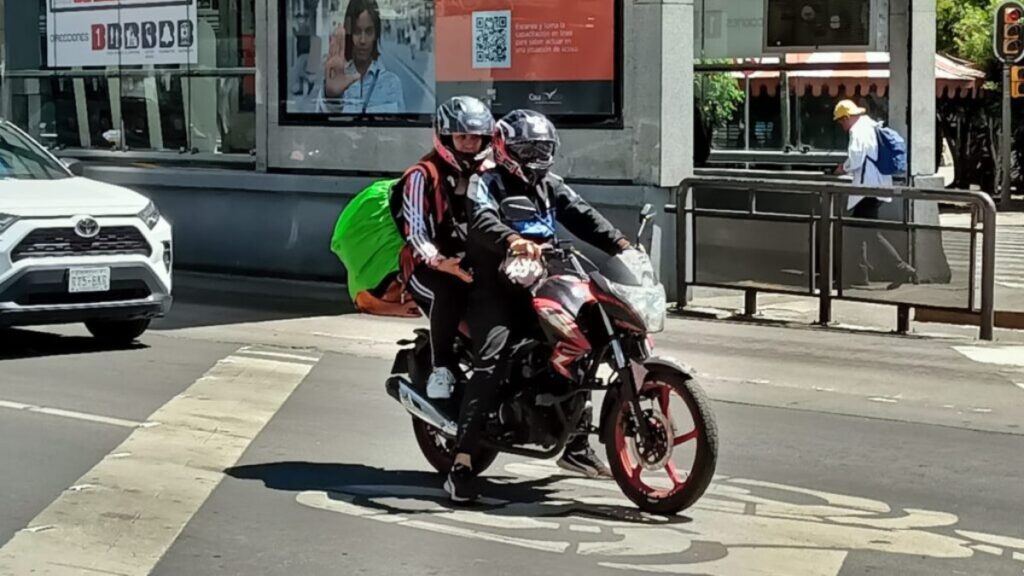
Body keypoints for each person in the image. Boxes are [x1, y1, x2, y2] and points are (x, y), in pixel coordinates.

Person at [445, 109, 632, 502]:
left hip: (545, 280)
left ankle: (576, 447)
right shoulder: (486, 181)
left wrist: (621, 245)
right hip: (496, 288)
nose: (535, 156)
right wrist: (513, 240)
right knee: (492, 359)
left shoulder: (550, 184)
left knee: (584, 342)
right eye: (527, 148)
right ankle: (461, 462)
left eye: (542, 148)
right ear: (505, 148)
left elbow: (583, 216)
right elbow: (481, 222)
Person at [390, 96, 495, 400]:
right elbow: (416, 232)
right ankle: (442, 368)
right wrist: (440, 262)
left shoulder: (490, 174)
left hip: (474, 261)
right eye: (461, 136)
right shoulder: (421, 175)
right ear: (446, 136)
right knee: (448, 292)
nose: (468, 143)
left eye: (475, 137)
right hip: (427, 266)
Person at [832, 99, 917, 289]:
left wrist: (841, 168)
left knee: (868, 234)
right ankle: (856, 275)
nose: (841, 125)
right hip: (877, 186)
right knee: (858, 233)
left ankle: (901, 268)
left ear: (846, 117)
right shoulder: (870, 125)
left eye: (840, 121)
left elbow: (855, 158)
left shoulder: (858, 131)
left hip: (866, 189)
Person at [317, 0, 405, 114]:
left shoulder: (392, 84)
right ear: (349, 33)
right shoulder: (336, 79)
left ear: (376, 34)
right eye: (357, 31)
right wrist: (332, 98)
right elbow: (319, 129)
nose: (363, 40)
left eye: (369, 32)